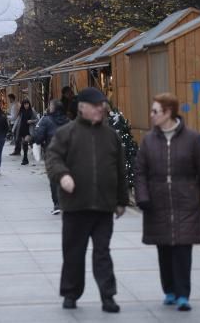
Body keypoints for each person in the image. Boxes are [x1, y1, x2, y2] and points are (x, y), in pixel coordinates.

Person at [134, 93, 200, 312]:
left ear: (168, 112)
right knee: (164, 249)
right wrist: (142, 197)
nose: (152, 115)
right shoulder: (149, 140)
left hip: (186, 201)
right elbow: (140, 172)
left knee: (183, 249)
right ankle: (169, 290)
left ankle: (183, 294)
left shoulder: (192, 138)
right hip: (157, 203)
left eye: (156, 111)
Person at [46, 87, 128, 313]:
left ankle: (108, 296)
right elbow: (52, 158)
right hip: (75, 206)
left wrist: (121, 200)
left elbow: (120, 170)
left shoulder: (111, 136)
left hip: (103, 206)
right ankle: (70, 294)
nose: (101, 108)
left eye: (102, 105)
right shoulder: (66, 133)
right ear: (82, 108)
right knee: (73, 252)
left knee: (102, 253)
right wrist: (63, 175)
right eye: (96, 105)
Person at [34, 99, 70, 214]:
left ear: (53, 108)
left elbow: (38, 138)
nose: (48, 108)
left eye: (49, 106)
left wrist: (37, 133)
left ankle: (57, 204)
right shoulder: (68, 121)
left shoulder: (46, 120)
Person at [14, 98, 38, 165]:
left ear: (29, 104)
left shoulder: (32, 111)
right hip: (22, 129)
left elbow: (37, 119)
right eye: (25, 104)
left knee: (25, 142)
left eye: (27, 104)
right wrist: (15, 129)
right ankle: (25, 158)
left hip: (29, 130)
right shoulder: (21, 111)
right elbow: (18, 120)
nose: (26, 105)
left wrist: (31, 121)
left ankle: (25, 158)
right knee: (24, 145)